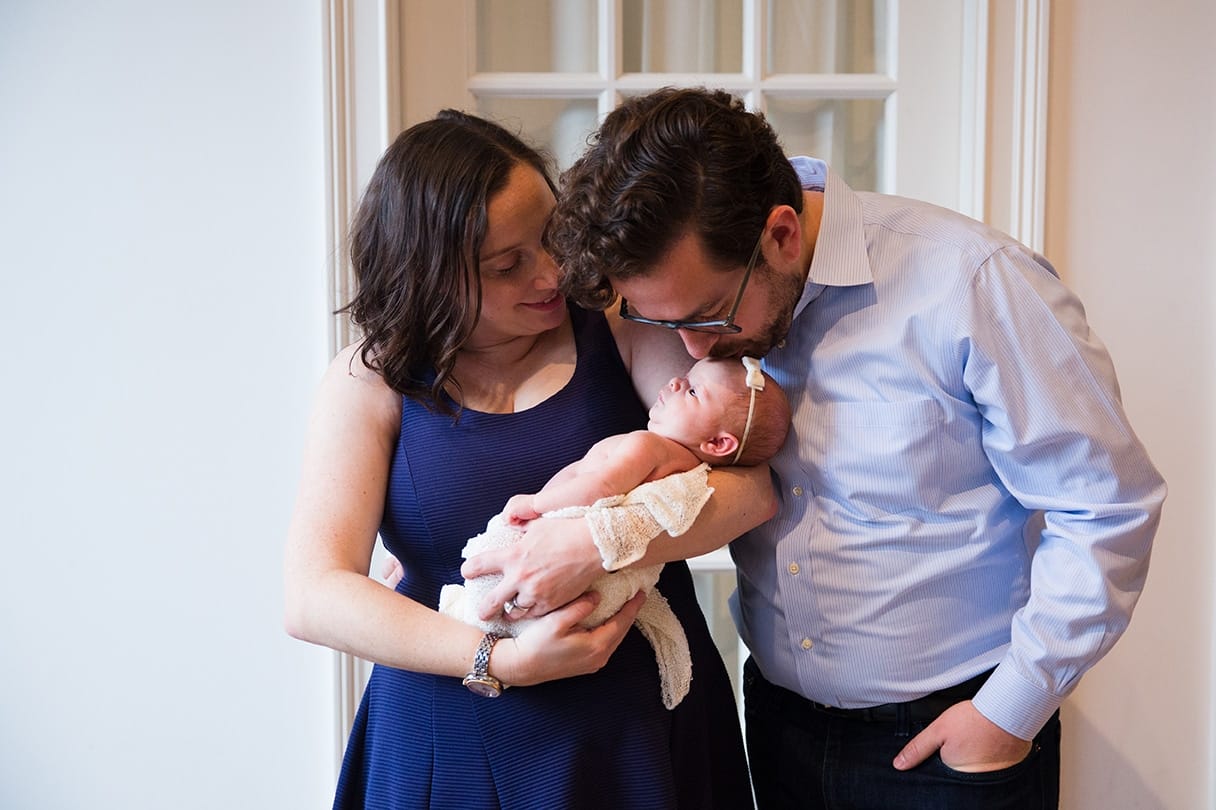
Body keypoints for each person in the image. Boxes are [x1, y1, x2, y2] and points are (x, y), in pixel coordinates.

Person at [468, 87, 1167, 809]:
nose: (693, 350)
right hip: (775, 725)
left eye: (709, 316)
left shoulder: (972, 284)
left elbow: (1107, 507)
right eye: (661, 322)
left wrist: (1007, 712)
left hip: (949, 744)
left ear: (781, 235)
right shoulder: (698, 285)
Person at [282, 109, 771, 809]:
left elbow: (750, 488)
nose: (553, 273)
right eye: (508, 265)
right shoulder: (371, 381)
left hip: (632, 734)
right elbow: (313, 595)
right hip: (444, 732)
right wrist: (500, 661)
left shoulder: (621, 328)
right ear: (428, 275)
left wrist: (598, 542)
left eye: (552, 237)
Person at [440, 357, 791, 709]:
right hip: (602, 596)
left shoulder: (648, 445)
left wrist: (535, 503)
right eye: (683, 377)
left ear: (718, 444)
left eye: (693, 390)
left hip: (564, 547)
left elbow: (601, 487)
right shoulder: (690, 470)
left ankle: (471, 618)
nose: (674, 383)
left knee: (489, 573)